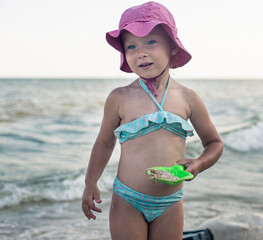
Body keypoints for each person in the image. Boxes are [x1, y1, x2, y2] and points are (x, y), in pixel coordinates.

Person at [82, 1, 223, 239]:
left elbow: (215, 143)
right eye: (131, 47)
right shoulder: (119, 97)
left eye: (150, 42)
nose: (141, 52)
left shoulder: (188, 98)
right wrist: (90, 183)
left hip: (170, 202)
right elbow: (105, 143)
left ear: (173, 47)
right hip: (128, 200)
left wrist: (199, 164)